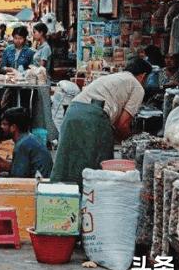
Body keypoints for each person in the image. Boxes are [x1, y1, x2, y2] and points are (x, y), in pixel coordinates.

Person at [50, 59, 151, 188]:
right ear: (143, 76)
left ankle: (59, 196)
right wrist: (132, 143)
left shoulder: (115, 77)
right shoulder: (137, 86)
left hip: (73, 111)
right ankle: (91, 201)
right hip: (94, 116)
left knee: (67, 161)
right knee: (98, 168)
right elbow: (122, 125)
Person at [0, 107, 52, 178]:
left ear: (13, 127)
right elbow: (14, 167)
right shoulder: (28, 139)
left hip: (37, 184)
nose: (1, 127)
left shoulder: (23, 145)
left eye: (4, 124)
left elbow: (17, 176)